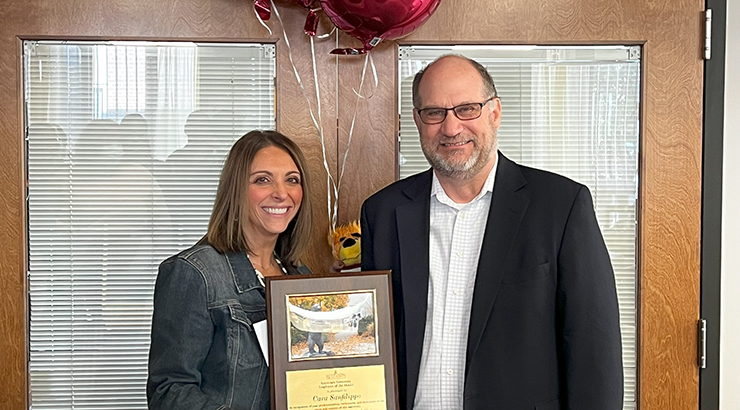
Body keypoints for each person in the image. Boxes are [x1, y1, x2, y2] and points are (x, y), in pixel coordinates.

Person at [361, 55, 623, 410]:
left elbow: (594, 351)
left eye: (467, 109)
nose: (451, 129)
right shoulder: (383, 213)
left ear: (495, 112)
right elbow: (370, 344)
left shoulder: (561, 206)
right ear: (417, 120)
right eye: (435, 112)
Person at [147, 130, 313, 410]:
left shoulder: (300, 275)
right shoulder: (195, 272)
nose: (281, 193)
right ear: (236, 188)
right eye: (263, 180)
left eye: (292, 180)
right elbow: (169, 392)